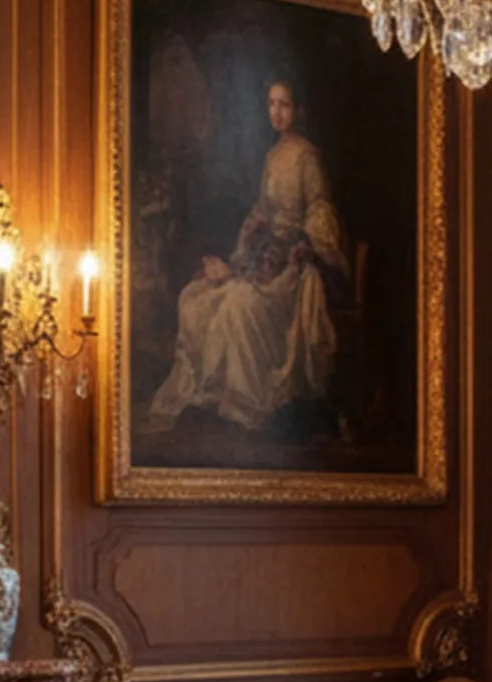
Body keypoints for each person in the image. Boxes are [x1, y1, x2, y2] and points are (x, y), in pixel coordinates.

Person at [142, 77, 346, 435]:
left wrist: (308, 245)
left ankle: (247, 403)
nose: (277, 112)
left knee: (239, 303)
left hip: (294, 269)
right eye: (271, 104)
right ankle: (215, 394)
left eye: (284, 104)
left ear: (298, 110)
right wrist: (246, 244)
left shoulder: (307, 156)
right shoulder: (272, 156)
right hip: (266, 257)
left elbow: (318, 209)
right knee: (197, 298)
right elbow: (262, 211)